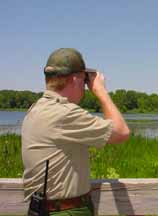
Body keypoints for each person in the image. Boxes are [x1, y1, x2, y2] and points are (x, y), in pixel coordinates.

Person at [21, 48, 130, 215]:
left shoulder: (35, 109)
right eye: (84, 80)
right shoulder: (65, 114)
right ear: (75, 79)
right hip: (67, 210)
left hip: (41, 208)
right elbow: (121, 132)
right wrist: (101, 91)